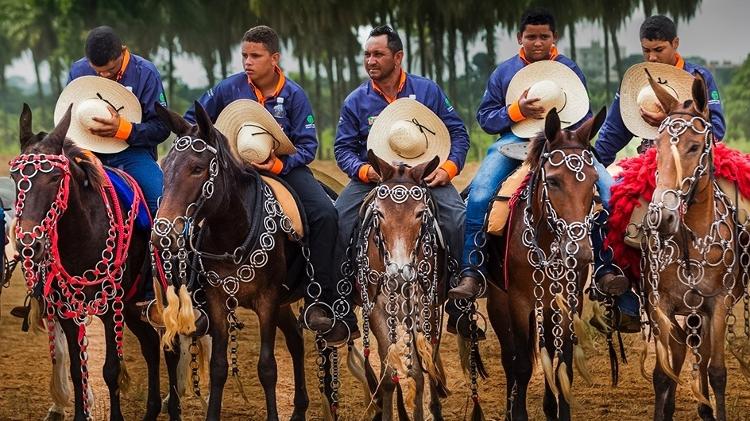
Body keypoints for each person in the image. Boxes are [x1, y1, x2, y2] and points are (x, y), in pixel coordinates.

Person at [449, 8, 626, 300]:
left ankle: (605, 269)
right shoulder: (504, 72)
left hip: (565, 145)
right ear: (520, 38)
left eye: (544, 36)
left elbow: (585, 115)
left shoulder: (570, 69)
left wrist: (574, 136)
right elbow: (485, 118)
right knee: (479, 194)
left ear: (554, 37)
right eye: (531, 36)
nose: (537, 42)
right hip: (513, 142)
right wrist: (517, 111)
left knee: (609, 192)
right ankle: (472, 271)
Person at [184, 25, 343, 342]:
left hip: (283, 169)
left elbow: (308, 146)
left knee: (326, 214)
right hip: (232, 172)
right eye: (244, 55)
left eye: (255, 56)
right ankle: (196, 296)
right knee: (192, 214)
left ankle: (320, 299)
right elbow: (193, 120)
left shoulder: (295, 95)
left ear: (274, 58)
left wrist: (279, 164)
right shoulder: (228, 88)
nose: (247, 62)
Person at [591, 15, 726, 331]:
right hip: (648, 165)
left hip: (694, 163)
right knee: (607, 211)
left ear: (675, 44)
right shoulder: (637, 84)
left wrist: (669, 122)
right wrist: (594, 169)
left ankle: (735, 273)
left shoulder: (700, 77)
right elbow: (611, 134)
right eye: (646, 50)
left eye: (659, 49)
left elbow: (716, 129)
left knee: (738, 208)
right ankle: (619, 295)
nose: (652, 57)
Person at [334, 25, 470, 338]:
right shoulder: (356, 100)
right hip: (373, 180)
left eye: (378, 54)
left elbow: (458, 133)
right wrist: (366, 172)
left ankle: (459, 304)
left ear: (398, 57)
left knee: (457, 217)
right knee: (336, 219)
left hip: (424, 176)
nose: (370, 60)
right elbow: (342, 148)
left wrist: (448, 169)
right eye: (367, 54)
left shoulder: (427, 91)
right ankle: (340, 302)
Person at [68, 26, 169, 217]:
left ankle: (175, 245)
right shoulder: (78, 71)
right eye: (98, 71)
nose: (105, 75)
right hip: (86, 151)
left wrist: (124, 130)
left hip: (132, 153)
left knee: (161, 205)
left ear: (123, 51)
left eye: (111, 69)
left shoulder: (146, 73)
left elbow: (162, 127)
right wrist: (84, 154)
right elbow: (68, 124)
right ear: (89, 62)